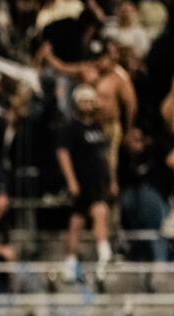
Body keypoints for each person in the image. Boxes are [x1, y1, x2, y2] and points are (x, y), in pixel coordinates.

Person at [56, 84, 113, 282]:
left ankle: (102, 253)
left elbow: (105, 155)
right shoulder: (70, 128)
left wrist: (111, 179)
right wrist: (71, 180)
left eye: (90, 101)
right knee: (78, 221)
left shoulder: (98, 127)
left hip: (97, 182)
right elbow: (63, 154)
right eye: (83, 101)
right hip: (81, 182)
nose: (87, 105)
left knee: (97, 212)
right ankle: (75, 259)